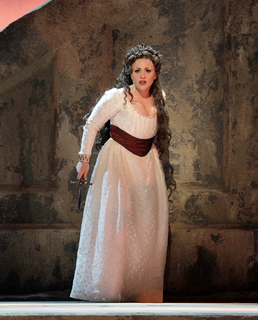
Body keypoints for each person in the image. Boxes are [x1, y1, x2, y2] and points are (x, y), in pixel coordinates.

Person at [70, 44, 175, 303]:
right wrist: (83, 160)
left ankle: (142, 289)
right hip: (118, 161)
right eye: (136, 69)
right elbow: (92, 124)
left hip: (146, 164)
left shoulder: (160, 96)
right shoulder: (118, 96)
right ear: (129, 73)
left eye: (147, 70)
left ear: (154, 73)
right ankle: (109, 286)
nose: (142, 75)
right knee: (116, 223)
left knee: (144, 225)